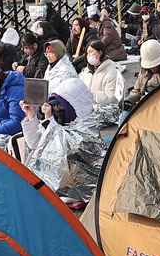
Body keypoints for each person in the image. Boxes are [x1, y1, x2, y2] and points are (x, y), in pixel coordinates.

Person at [18, 76, 106, 205]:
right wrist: (31, 115)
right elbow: (35, 145)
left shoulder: (86, 129)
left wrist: (49, 121)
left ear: (73, 107)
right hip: (58, 184)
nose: (57, 109)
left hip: (76, 187)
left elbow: (61, 149)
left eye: (60, 106)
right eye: (55, 106)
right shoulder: (59, 125)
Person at [78, 39, 124, 125]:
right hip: (89, 109)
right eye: (87, 53)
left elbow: (113, 96)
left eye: (91, 52)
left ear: (100, 53)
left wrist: (93, 95)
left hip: (106, 111)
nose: (89, 55)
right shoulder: (87, 71)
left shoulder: (111, 71)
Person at [124, 40, 160, 110]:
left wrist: (142, 103)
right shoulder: (145, 70)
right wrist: (129, 100)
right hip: (142, 106)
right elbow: (137, 89)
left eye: (154, 65)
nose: (151, 68)